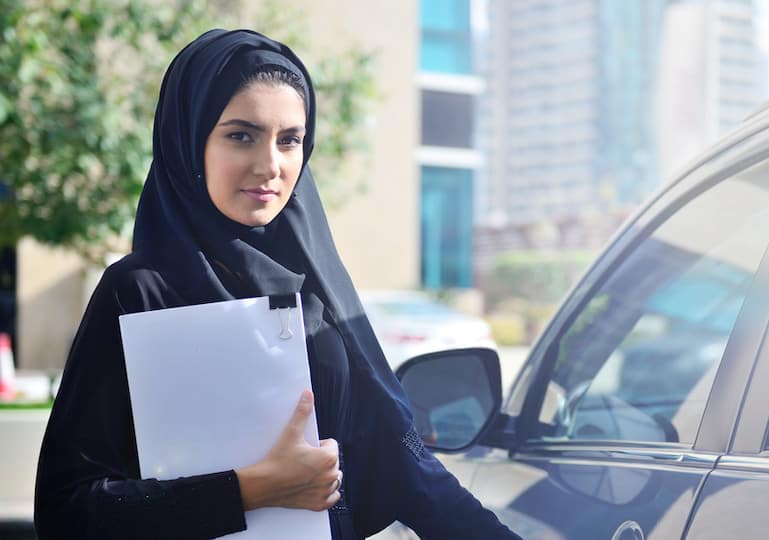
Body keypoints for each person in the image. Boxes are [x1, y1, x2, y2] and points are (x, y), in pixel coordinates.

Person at [33, 28, 521, 540]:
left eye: (290, 140)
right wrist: (250, 491)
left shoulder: (317, 294)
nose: (270, 165)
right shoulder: (138, 295)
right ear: (188, 140)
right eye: (241, 135)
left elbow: (408, 472)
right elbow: (67, 512)